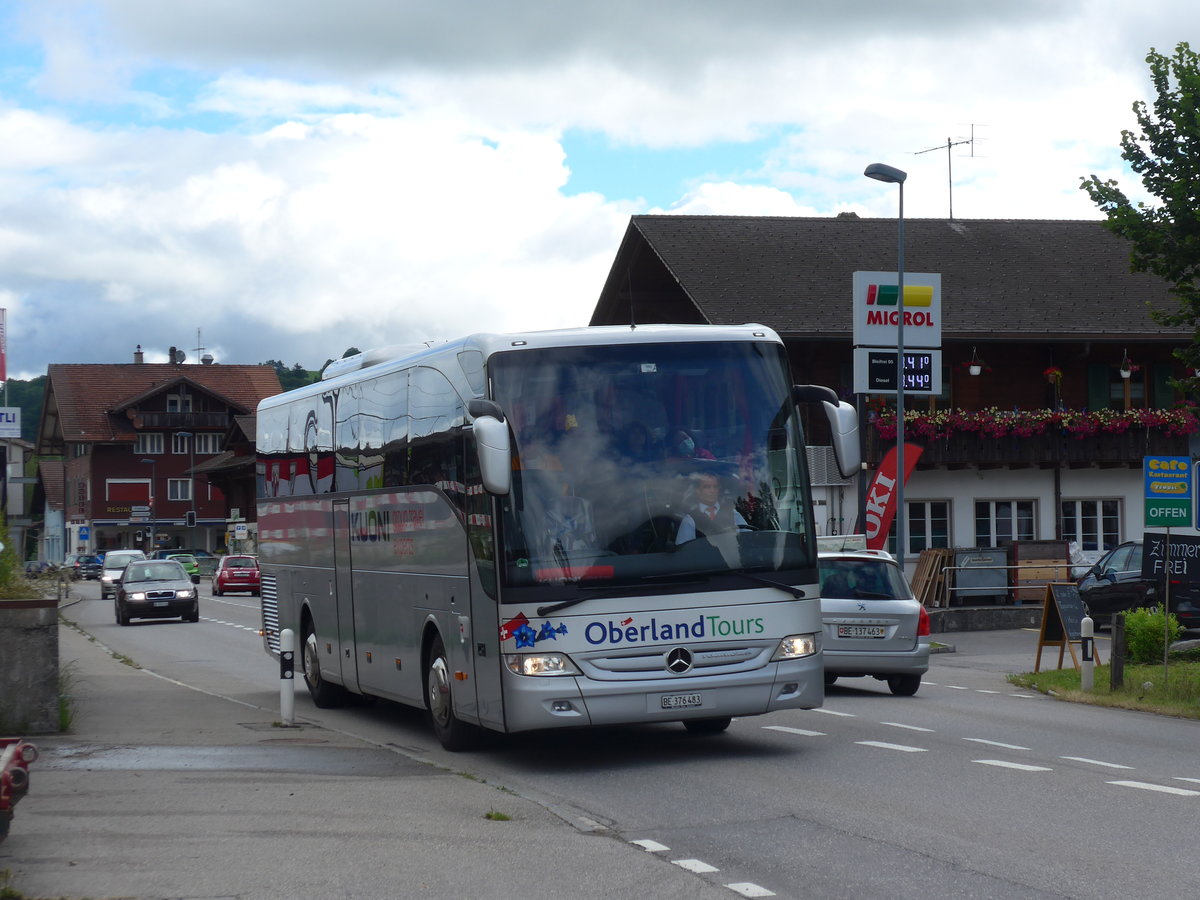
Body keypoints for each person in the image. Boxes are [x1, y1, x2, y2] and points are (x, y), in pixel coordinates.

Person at [675, 472, 748, 543]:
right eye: (706, 487)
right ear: (697, 490)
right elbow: (684, 550)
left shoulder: (733, 514)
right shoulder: (690, 520)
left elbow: (749, 538)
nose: (712, 490)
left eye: (715, 486)